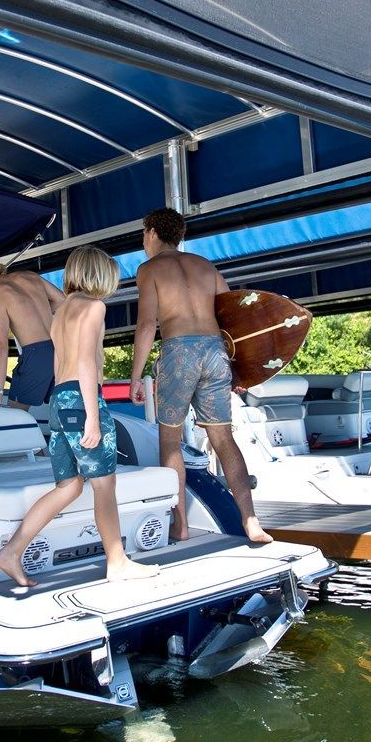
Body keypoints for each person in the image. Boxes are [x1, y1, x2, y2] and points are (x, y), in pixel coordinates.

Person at [0, 246, 159, 588]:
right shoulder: (94, 307)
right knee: (104, 485)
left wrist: (68, 404)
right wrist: (93, 418)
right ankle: (117, 561)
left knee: (68, 486)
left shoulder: (63, 310)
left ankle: (11, 552)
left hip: (59, 400)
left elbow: (60, 364)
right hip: (83, 401)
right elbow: (85, 362)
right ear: (101, 274)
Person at [129, 206, 272, 544]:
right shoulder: (206, 266)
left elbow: (148, 324)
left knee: (170, 441)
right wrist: (240, 368)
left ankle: (180, 526)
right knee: (223, 438)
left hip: (180, 351)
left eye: (144, 235)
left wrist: (136, 377)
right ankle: (251, 520)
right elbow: (233, 317)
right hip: (214, 352)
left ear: (151, 233)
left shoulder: (148, 269)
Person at [0, 254, 64, 414]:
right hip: (60, 350)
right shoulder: (29, 276)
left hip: (36, 356)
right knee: (61, 414)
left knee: (14, 416)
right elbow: (62, 300)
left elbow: (1, 347)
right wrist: (33, 315)